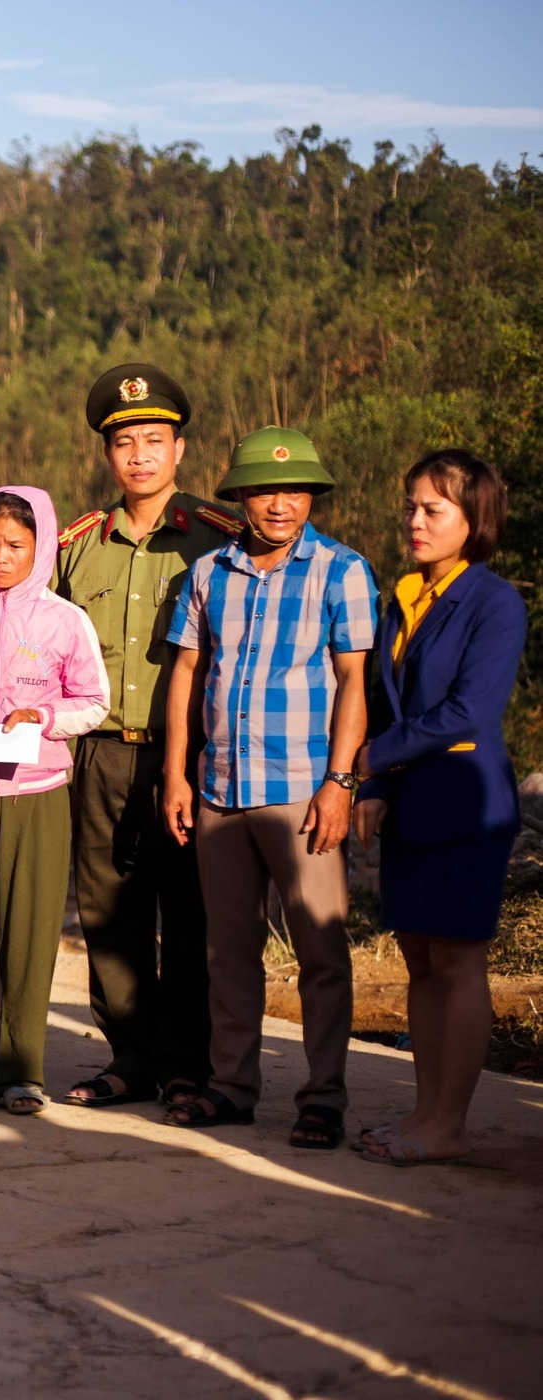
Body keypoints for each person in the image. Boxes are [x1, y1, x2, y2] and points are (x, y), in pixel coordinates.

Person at [161, 427, 377, 1150]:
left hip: (303, 790)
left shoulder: (341, 570)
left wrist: (340, 782)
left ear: (311, 496)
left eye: (293, 491)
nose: (279, 504)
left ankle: (323, 1096)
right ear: (240, 498)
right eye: (263, 490)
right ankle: (231, 1086)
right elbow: (188, 673)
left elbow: (354, 679)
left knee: (320, 950)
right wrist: (176, 776)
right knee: (228, 950)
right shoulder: (209, 573)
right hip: (220, 788)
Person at [54, 365, 240, 1110]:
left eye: (153, 441)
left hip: (185, 756)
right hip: (97, 750)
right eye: (124, 442)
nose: (139, 456)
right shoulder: (76, 546)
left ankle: (188, 1063)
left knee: (188, 910)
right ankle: (130, 1058)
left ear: (181, 450)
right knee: (107, 911)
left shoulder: (218, 540)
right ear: (107, 454)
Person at [352, 450, 525, 1166]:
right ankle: (425, 1112)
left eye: (434, 509)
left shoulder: (494, 603)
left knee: (457, 963)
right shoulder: (403, 598)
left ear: (473, 518)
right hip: (413, 807)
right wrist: (377, 789)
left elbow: (467, 712)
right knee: (419, 961)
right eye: (411, 506)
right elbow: (387, 700)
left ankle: (448, 1123)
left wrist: (368, 759)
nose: (414, 521)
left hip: (464, 807)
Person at [0, 487, 108, 1114]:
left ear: (42, 548)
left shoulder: (66, 620)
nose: (0, 557)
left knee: (32, 931)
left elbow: (93, 701)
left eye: (15, 546)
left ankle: (23, 1072)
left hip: (38, 794)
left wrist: (46, 715)